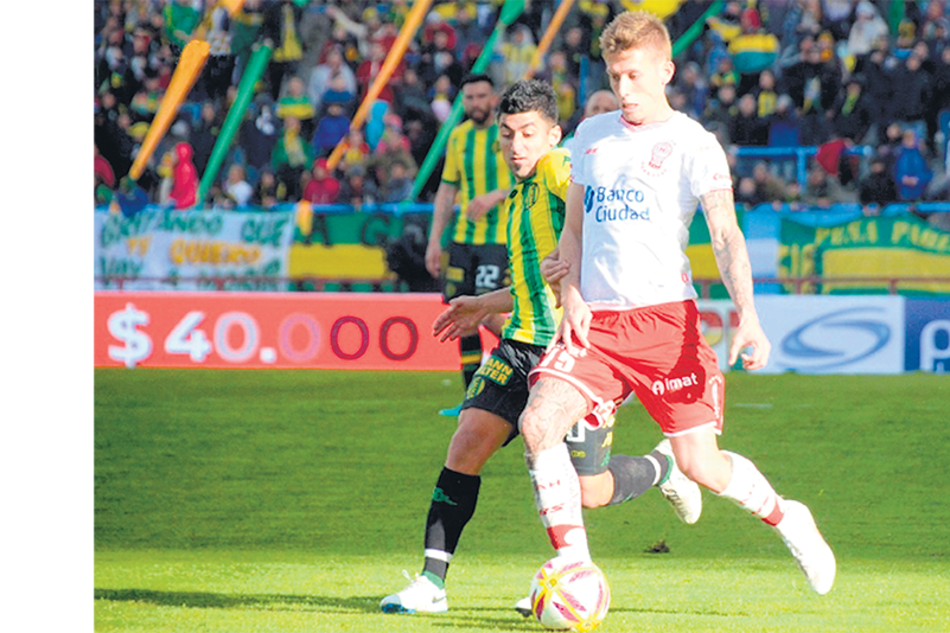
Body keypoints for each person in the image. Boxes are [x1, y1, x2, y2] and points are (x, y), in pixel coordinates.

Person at [518, 11, 836, 597]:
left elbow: (726, 235)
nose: (625, 89)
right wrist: (570, 295)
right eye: (616, 77)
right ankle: (576, 569)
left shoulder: (695, 143)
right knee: (537, 423)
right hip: (595, 326)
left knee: (702, 467)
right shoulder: (591, 136)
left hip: (667, 327)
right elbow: (574, 233)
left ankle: (789, 518)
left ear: (665, 70)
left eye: (635, 75)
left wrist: (749, 318)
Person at [380, 79, 701, 616]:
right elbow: (533, 282)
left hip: (573, 354)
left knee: (589, 490)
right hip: (519, 345)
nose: (516, 145)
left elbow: (602, 229)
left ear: (553, 134)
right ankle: (432, 583)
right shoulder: (517, 195)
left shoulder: (558, 170)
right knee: (466, 444)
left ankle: (662, 468)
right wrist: (484, 304)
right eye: (508, 135)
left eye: (529, 133)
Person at [425, 74, 514, 416]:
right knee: (463, 311)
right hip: (463, 238)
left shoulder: (510, 132)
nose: (476, 103)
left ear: (494, 98)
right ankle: (471, 396)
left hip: (500, 237)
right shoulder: (459, 137)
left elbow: (533, 175)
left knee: (486, 310)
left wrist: (496, 194)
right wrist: (435, 240)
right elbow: (447, 190)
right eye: (470, 98)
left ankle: (537, 354)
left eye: (482, 96)